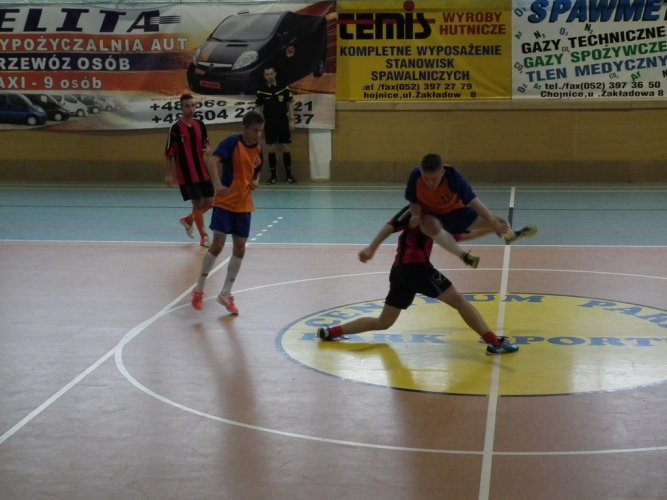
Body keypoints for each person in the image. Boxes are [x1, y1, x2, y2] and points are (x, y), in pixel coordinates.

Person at [317, 207, 519, 355]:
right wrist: (371, 248)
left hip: (399, 272)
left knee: (384, 322)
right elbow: (392, 226)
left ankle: (330, 331)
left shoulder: (432, 212)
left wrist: (491, 227)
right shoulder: (420, 210)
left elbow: (455, 236)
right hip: (418, 269)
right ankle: (495, 343)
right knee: (458, 301)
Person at [405, 153, 537, 268]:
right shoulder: (415, 176)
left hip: (458, 214)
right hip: (432, 216)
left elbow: (474, 202)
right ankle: (463, 256)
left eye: (434, 179)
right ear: (421, 171)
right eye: (426, 179)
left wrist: (493, 223)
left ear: (442, 172)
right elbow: (413, 200)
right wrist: (416, 215)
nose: (430, 183)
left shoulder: (453, 177)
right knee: (428, 223)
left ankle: (512, 236)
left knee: (500, 222)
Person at [191, 111, 265, 314]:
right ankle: (199, 289)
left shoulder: (258, 148)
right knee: (218, 245)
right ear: (245, 128)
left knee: (240, 248)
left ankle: (225, 293)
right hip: (225, 203)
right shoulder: (232, 143)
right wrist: (217, 184)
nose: (258, 134)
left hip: (244, 205)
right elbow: (212, 161)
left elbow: (257, 168)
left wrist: (255, 181)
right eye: (255, 130)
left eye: (260, 130)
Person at [165, 93, 214, 247]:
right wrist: (170, 174)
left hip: (202, 171)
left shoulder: (200, 125)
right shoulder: (175, 128)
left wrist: (208, 149)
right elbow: (170, 153)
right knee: (197, 203)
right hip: (187, 173)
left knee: (210, 202)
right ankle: (204, 236)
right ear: (181, 108)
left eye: (193, 105)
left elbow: (206, 143)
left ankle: (188, 220)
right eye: (187, 106)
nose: (191, 109)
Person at [254, 66, 296, 184]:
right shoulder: (261, 91)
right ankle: (273, 176)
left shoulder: (284, 88)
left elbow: (290, 104)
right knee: (271, 148)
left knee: (286, 147)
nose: (270, 76)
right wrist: (259, 124)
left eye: (271, 73)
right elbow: (258, 108)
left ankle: (289, 176)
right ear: (264, 76)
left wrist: (292, 120)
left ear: (275, 74)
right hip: (269, 122)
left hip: (283, 120)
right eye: (267, 74)